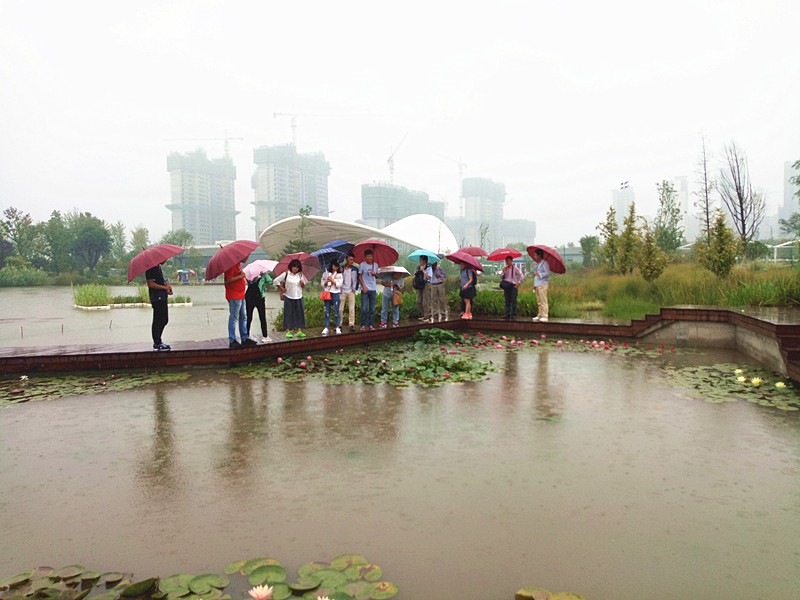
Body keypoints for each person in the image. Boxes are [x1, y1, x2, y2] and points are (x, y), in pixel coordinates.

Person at [225, 259, 256, 348]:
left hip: (241, 294)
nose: (247, 258)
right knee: (234, 317)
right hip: (234, 295)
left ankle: (244, 337)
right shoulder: (231, 265)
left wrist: (242, 276)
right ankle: (232, 339)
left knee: (243, 317)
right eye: (247, 256)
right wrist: (240, 276)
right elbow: (228, 280)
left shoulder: (238, 265)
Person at [273, 259, 307, 339]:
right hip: (289, 296)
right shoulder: (286, 274)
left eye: (297, 267)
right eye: (294, 266)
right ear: (291, 267)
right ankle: (288, 331)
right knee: (288, 313)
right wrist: (282, 289)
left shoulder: (300, 275)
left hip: (298, 296)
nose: (295, 268)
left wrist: (302, 283)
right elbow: (275, 281)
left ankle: (299, 330)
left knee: (299, 313)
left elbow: (303, 286)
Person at [146, 261, 173, 351]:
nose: (165, 260)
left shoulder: (157, 267)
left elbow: (159, 283)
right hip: (157, 298)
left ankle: (158, 341)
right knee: (158, 320)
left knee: (164, 319)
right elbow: (151, 284)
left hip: (162, 297)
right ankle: (157, 342)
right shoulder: (151, 267)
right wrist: (165, 288)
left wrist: (167, 289)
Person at [245, 271, 272, 343]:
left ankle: (246, 335)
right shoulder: (262, 274)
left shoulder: (248, 273)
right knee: (262, 317)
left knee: (248, 317)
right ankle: (265, 336)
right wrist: (264, 275)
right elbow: (270, 281)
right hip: (260, 297)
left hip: (249, 297)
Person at [358, 249, 380, 331]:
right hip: (365, 289)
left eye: (371, 256)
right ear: (365, 257)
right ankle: (363, 324)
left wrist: (375, 273)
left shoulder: (376, 265)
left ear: (372, 256)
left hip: (373, 289)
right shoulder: (362, 265)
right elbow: (359, 276)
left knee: (372, 308)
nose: (369, 258)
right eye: (368, 256)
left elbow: (377, 276)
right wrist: (363, 286)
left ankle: (371, 324)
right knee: (364, 308)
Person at [321, 260, 343, 336]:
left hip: (336, 293)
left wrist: (332, 280)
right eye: (334, 265)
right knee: (326, 310)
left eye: (337, 266)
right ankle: (326, 327)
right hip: (327, 293)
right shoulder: (325, 273)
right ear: (331, 265)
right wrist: (326, 282)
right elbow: (322, 284)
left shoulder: (339, 274)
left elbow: (339, 285)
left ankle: (337, 326)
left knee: (336, 310)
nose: (336, 267)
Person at [339, 252, 360, 333]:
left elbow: (357, 279)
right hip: (342, 290)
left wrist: (355, 288)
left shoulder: (355, 269)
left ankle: (351, 324)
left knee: (351, 308)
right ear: (346, 260)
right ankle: (339, 324)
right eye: (350, 259)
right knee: (340, 309)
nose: (352, 261)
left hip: (351, 290)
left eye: (353, 260)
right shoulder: (341, 268)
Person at [532, 248, 551, 322]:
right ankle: (540, 315)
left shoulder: (545, 263)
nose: (534, 256)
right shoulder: (538, 264)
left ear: (539, 255)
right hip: (537, 284)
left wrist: (539, 274)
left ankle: (545, 315)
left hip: (543, 284)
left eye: (535, 255)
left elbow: (547, 273)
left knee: (543, 301)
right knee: (539, 301)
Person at [413, 256, 433, 322]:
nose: (419, 261)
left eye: (421, 260)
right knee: (419, 300)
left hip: (426, 284)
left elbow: (428, 277)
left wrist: (423, 271)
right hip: (419, 284)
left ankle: (426, 316)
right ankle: (422, 314)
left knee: (425, 301)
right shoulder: (418, 267)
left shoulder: (428, 267)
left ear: (424, 261)